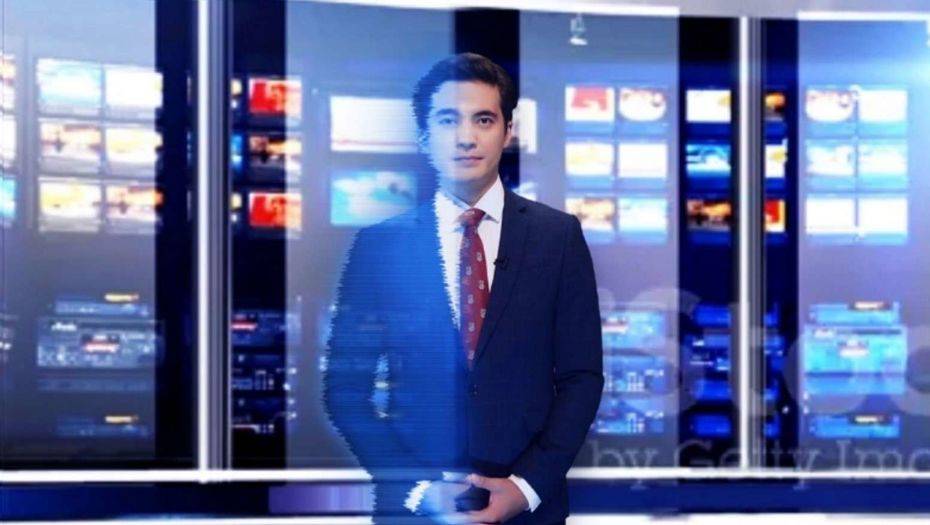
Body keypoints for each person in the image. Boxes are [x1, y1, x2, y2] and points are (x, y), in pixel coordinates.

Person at [323, 53, 604, 525]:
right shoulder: (378, 246)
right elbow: (344, 390)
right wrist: (417, 489)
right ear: (423, 135)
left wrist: (525, 488)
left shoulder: (558, 237)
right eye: (447, 120)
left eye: (484, 119)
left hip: (528, 514)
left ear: (508, 131)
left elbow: (582, 377)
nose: (466, 137)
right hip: (415, 516)